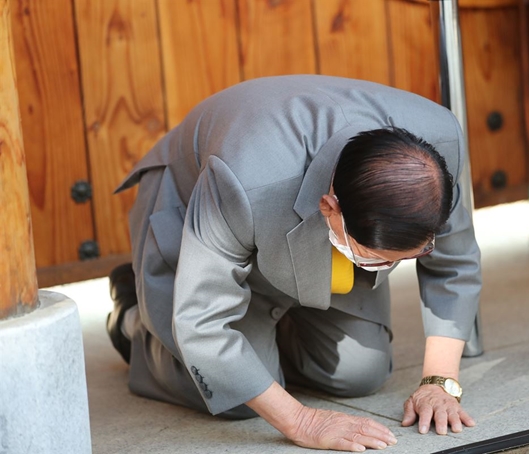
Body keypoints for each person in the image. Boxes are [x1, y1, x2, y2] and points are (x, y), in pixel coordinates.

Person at [107, 75, 481, 451]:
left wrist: (439, 381)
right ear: (330, 209)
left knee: (359, 374)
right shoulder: (244, 175)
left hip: (309, 220)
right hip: (197, 203)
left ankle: (264, 340)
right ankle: (132, 316)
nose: (384, 270)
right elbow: (202, 323)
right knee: (235, 398)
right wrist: (301, 422)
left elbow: (456, 261)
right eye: (373, 260)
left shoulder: (434, 149)